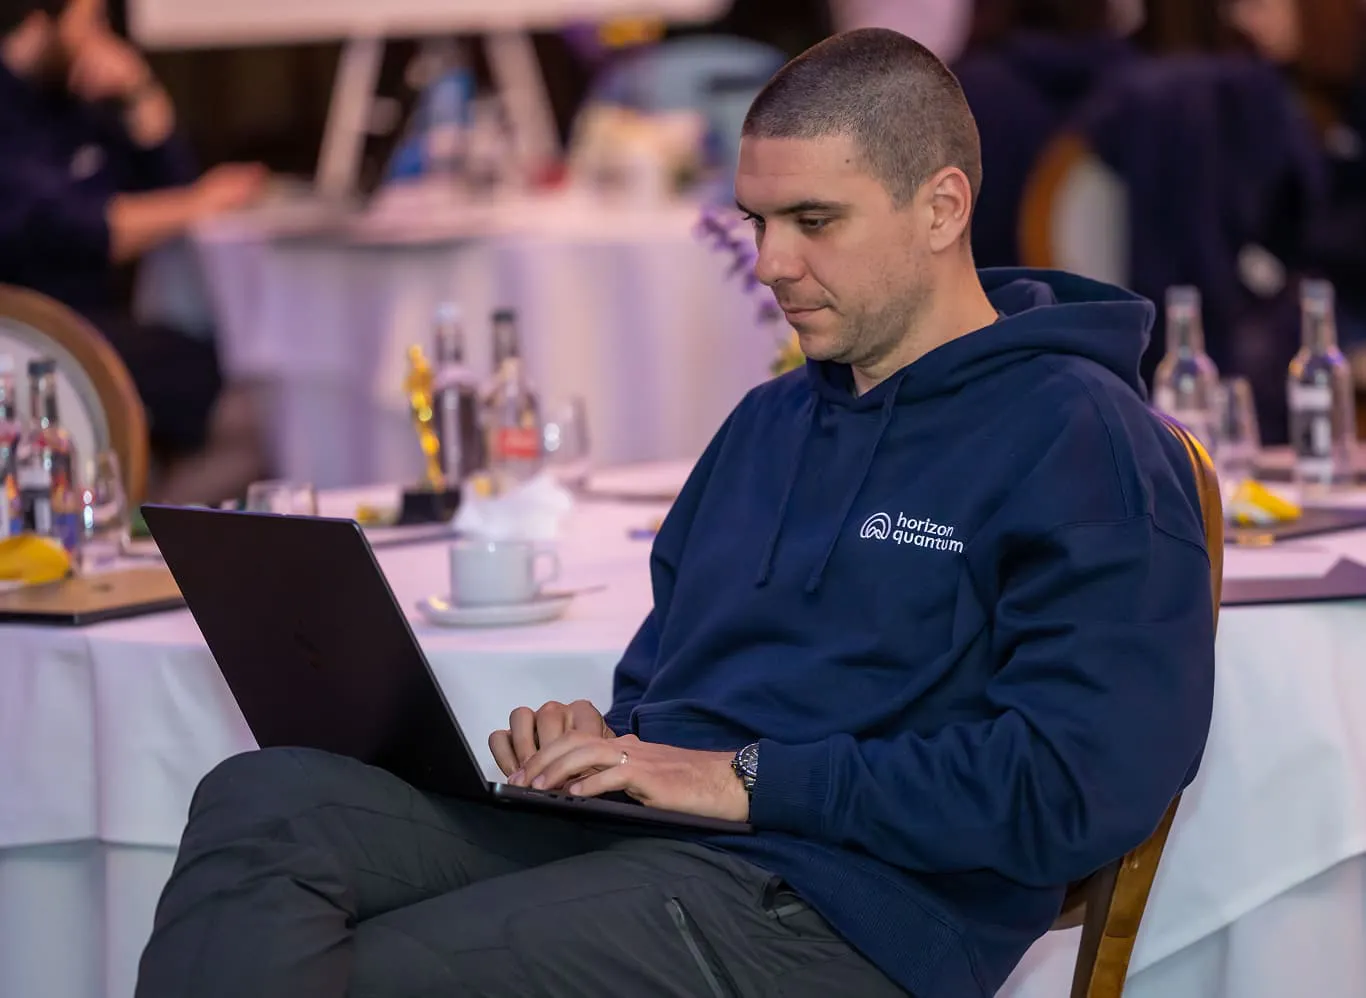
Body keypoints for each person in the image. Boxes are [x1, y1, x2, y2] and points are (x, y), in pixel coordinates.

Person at [133, 28, 1217, 998]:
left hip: (847, 911)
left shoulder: (1081, 437)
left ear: (941, 206)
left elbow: (1082, 782)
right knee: (263, 798)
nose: (770, 262)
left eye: (813, 220)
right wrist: (606, 741)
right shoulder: (766, 423)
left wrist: (746, 779)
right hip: (652, 848)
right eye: (755, 219)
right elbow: (665, 693)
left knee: (368, 968)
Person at [0, 0, 267, 495]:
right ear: (42, 22)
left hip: (105, 327)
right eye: (93, 22)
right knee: (248, 409)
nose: (105, 38)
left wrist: (142, 94)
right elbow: (86, 230)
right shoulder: (12, 119)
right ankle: (152, 535)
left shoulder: (77, 103)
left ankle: (153, 528)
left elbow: (171, 186)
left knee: (250, 387)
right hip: (35, 336)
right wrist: (197, 201)